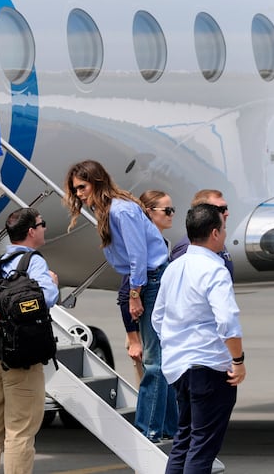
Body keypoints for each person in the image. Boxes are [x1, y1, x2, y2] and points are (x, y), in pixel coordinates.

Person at [64, 160, 178, 443]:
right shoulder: (109, 209)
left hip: (149, 280)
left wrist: (134, 295)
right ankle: (168, 427)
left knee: (154, 359)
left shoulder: (121, 210)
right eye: (75, 189)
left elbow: (139, 255)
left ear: (97, 182)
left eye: (82, 187)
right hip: (147, 279)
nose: (78, 194)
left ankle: (148, 429)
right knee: (159, 358)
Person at [153, 204, 245, 473]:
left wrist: (177, 345)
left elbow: (158, 318)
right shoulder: (215, 270)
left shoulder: (173, 267)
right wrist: (238, 360)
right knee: (202, 448)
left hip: (178, 367)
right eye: (224, 228)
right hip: (209, 367)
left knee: (184, 440)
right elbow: (227, 321)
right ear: (215, 233)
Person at [0, 208, 59, 474]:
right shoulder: (33, 262)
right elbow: (46, 299)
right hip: (20, 360)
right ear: (31, 231)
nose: (45, 228)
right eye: (42, 224)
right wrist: (53, 283)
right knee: (20, 431)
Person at [117, 190, 175, 383]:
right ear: (149, 212)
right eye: (167, 210)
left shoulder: (161, 244)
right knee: (150, 380)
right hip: (141, 335)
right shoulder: (144, 248)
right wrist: (133, 340)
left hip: (156, 330)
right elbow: (125, 293)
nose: (171, 214)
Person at [170, 189, 234, 279]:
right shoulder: (186, 247)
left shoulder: (216, 240)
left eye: (226, 208)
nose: (227, 213)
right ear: (202, 211)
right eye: (221, 209)